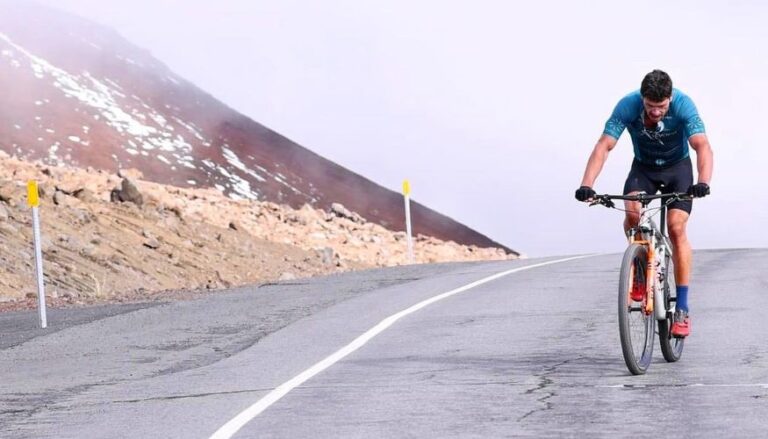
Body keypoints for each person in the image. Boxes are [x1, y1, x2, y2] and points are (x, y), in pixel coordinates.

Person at [575, 69, 713, 338]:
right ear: (642, 98)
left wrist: (703, 181)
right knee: (633, 213)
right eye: (650, 106)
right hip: (644, 170)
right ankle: (639, 267)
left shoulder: (684, 105)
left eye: (661, 106)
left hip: (678, 170)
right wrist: (586, 184)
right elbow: (604, 145)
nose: (656, 112)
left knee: (676, 228)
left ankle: (682, 308)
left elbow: (703, 146)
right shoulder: (628, 105)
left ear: (670, 99)